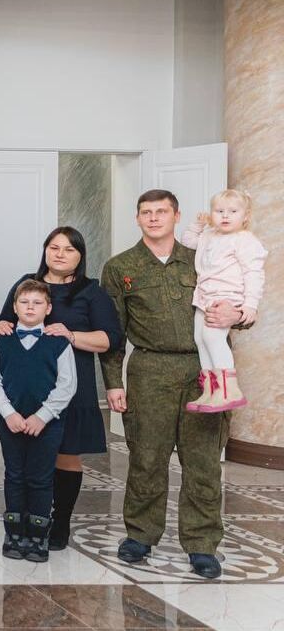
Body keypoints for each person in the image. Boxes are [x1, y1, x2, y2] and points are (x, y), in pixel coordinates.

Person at [102, 189, 244, 579]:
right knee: (147, 459)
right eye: (146, 212)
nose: (153, 218)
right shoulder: (120, 267)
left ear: (176, 216)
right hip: (149, 371)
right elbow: (113, 333)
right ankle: (140, 536)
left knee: (202, 463)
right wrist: (113, 383)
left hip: (203, 371)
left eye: (161, 211)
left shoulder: (202, 259)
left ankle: (201, 544)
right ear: (137, 218)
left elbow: (239, 294)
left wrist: (241, 312)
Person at [0, 227, 124, 550]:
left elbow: (110, 339)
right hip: (27, 387)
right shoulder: (28, 286)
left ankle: (60, 521)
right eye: (54, 247)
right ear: (45, 251)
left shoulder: (91, 292)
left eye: (68, 249)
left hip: (71, 386)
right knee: (29, 459)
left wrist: (71, 335)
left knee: (65, 457)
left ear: (80, 255)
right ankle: (29, 519)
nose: (60, 254)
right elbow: (6, 323)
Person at [0, 279, 77, 563]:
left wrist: (42, 416)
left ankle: (37, 534)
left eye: (37, 303)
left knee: (41, 477)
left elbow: (67, 385)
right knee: (15, 475)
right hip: (10, 420)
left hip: (47, 424)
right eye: (24, 302)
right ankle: (14, 532)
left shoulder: (59, 343)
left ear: (48, 308)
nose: (30, 307)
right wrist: (8, 412)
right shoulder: (0, 340)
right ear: (14, 307)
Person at [178, 189, 268, 412]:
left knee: (213, 338)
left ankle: (229, 391)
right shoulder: (209, 234)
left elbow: (254, 273)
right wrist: (198, 225)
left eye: (233, 211)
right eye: (219, 211)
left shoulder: (245, 240)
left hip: (226, 297)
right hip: (204, 297)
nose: (225, 216)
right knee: (200, 339)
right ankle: (211, 390)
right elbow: (188, 241)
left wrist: (250, 304)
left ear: (245, 216)